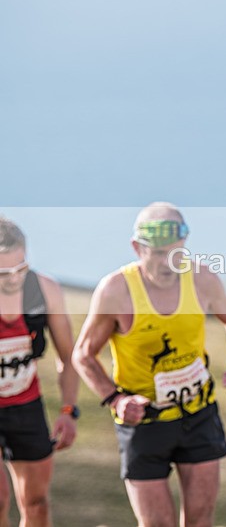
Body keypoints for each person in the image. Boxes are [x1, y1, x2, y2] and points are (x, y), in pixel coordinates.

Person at [72, 203, 226, 527]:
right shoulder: (116, 291)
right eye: (157, 254)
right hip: (144, 422)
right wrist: (116, 399)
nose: (167, 263)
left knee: (201, 520)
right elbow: (83, 354)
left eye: (175, 253)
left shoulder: (202, 279)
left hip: (198, 414)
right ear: (137, 247)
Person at [0, 216, 79, 527]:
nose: (14, 278)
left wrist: (68, 410)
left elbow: (69, 357)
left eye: (21, 268)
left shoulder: (44, 290)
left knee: (37, 503)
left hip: (25, 404)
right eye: (4, 273)